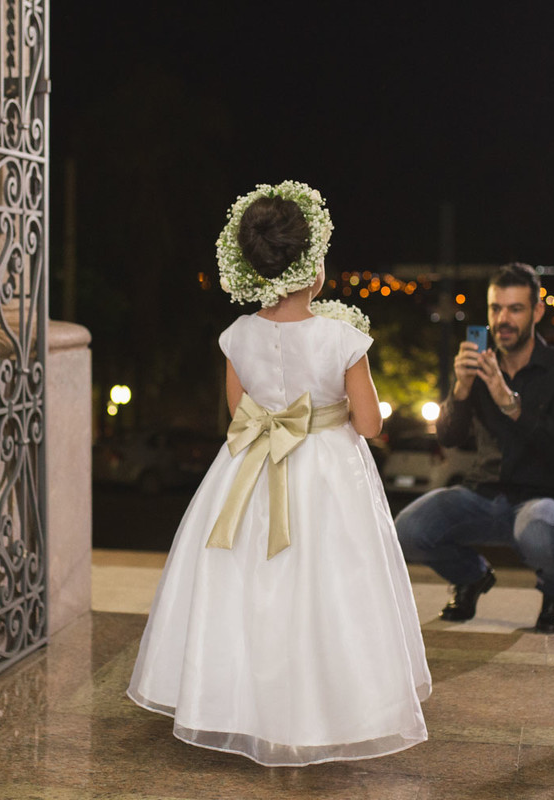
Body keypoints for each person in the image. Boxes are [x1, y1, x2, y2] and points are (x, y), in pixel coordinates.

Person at [127, 182, 430, 766]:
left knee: (246, 586)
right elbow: (368, 423)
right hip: (328, 475)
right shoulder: (342, 337)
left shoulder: (236, 335)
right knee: (325, 587)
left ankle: (236, 706)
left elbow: (239, 416)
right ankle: (328, 710)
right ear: (314, 263)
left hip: (250, 468)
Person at [395, 262, 554, 634]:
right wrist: (461, 390)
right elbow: (449, 438)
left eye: (515, 309)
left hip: (539, 495)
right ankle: (472, 578)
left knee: (536, 530)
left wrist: (510, 403)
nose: (504, 319)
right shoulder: (479, 366)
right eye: (496, 309)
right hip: (483, 493)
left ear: (537, 311)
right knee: (407, 530)